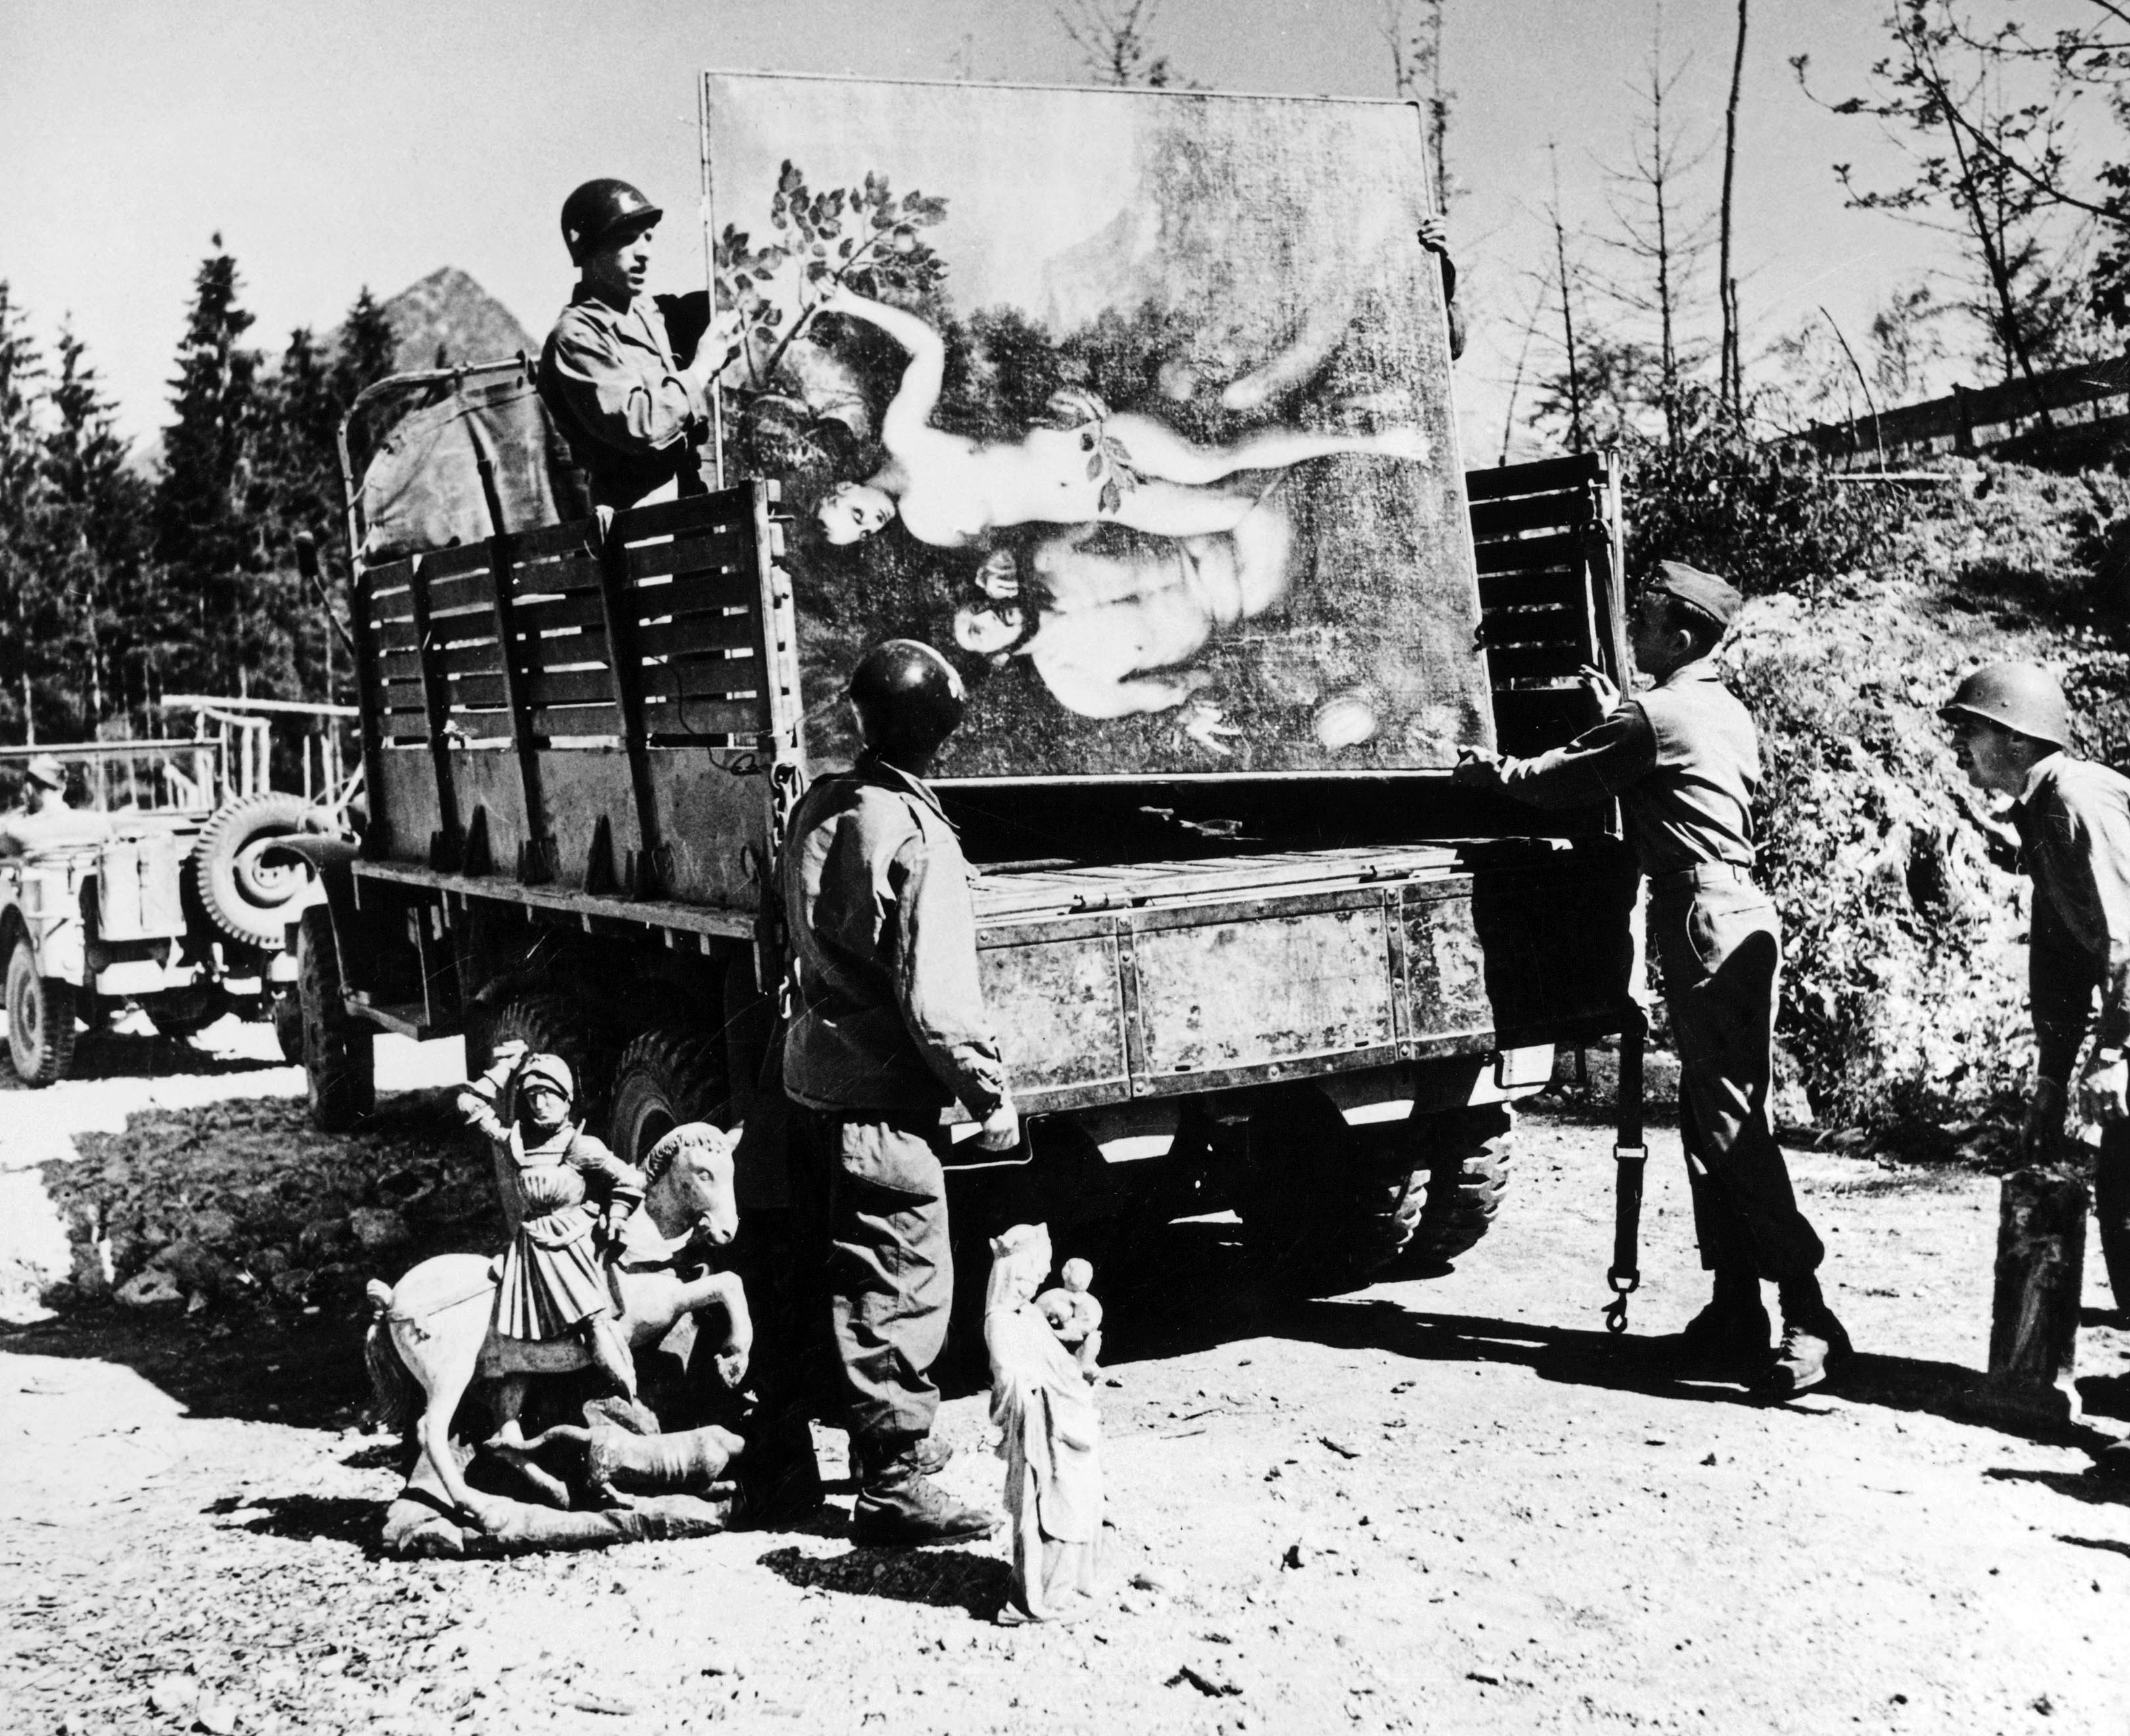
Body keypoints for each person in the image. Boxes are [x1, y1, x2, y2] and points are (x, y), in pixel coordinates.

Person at [1454, 561, 1849, 1397]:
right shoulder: (1720, 709)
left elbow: (1559, 779)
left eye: (1645, 621)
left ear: (1680, 636)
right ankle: (1735, 1309)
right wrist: (1622, 724)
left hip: (1700, 913)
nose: (1631, 631)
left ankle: (1808, 1313)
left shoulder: (1657, 714)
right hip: (1732, 907)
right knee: (1713, 1120)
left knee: (1733, 1125)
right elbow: (1663, 765)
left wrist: (1489, 771)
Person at [781, 639, 1018, 1545]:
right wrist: (987, 1093)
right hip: (884, 1101)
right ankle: (894, 1484)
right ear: (939, 735)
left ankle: (809, 1464)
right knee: (899, 1280)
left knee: (831, 1275)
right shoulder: (918, 836)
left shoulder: (822, 806)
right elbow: (937, 1004)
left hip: (815, 1079)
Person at [807, 285, 1431, 550]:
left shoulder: (905, 437)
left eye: (855, 513)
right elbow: (1025, 533)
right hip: (1108, 507)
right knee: (1232, 511)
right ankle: (1342, 414)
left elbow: (930, 348)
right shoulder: (925, 529)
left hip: (1086, 450)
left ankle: (1375, 440)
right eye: (862, 532)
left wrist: (852, 303)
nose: (872, 522)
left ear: (846, 486)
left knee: (1213, 460)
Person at [1938, 661, 2130, 1307]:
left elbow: (2127, 936)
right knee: (2122, 1193)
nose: (1956, 744)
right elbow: (2063, 966)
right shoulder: (2039, 811)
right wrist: (2051, 1082)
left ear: (2018, 739)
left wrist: (2113, 1056)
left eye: (1970, 728)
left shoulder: (2078, 798)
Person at [949, 506, 1290, 749]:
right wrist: (1195, 711)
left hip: (1204, 519)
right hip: (1242, 586)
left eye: (978, 608)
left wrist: (1008, 550)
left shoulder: (1042, 558)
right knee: (1263, 509)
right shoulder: (1074, 684)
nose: (989, 617)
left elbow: (1099, 502)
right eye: (977, 632)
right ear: (997, 659)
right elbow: (1195, 683)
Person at [458, 1041, 646, 1435]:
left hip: (572, 1244)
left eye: (549, 1095)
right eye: (532, 1096)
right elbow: (469, 1105)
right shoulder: (518, 1144)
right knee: (508, 1334)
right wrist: (509, 1065)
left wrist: (616, 1214)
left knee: (595, 1326)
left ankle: (633, 1398)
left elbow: (630, 1178)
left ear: (567, 1099)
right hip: (530, 1247)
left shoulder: (581, 1147)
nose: (541, 1104)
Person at [537, 177, 743, 511]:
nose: (644, 252)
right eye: (626, 240)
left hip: (688, 500)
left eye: (647, 237)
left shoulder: (651, 313)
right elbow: (639, 425)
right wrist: (701, 368)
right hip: (637, 519)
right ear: (589, 250)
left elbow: (727, 308)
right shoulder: (576, 336)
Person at [0, 755, 76, 858]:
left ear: (29, 788)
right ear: (63, 788)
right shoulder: (92, 823)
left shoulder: (19, 830)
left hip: (38, 874)